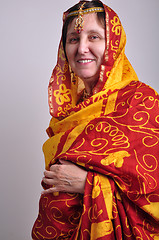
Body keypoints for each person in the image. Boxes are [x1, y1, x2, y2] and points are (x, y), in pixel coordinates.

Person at [32, 0, 159, 239]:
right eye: (73, 39)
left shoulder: (141, 102)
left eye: (94, 37)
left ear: (113, 44)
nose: (81, 48)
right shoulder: (69, 114)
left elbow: (155, 188)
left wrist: (87, 183)